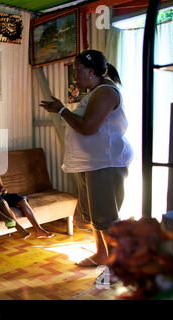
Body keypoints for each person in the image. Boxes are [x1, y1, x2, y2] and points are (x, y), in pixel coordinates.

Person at [39, 49, 133, 269]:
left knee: (107, 217)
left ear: (91, 71)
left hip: (106, 164)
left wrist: (62, 110)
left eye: (78, 70)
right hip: (93, 164)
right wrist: (61, 110)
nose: (75, 76)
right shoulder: (95, 91)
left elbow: (88, 127)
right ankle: (102, 255)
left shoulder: (106, 92)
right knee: (96, 217)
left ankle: (115, 265)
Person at [0, 144, 55, 239]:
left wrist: (3, 189)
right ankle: (19, 228)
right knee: (3, 203)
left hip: (1, 195)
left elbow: (1, 185)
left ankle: (38, 229)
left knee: (22, 200)